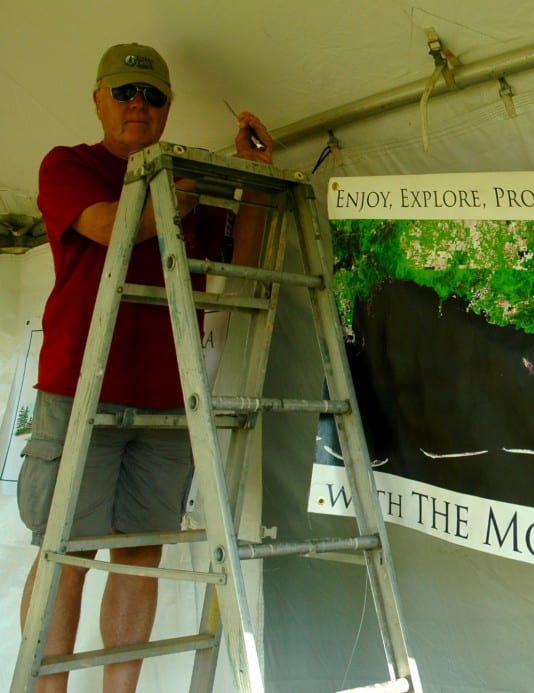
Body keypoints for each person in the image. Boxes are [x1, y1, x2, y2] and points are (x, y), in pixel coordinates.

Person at [18, 43, 274, 692]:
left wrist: (251, 181)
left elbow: (236, 265)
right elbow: (108, 225)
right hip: (80, 390)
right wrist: (177, 202)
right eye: (126, 91)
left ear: (167, 109)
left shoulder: (185, 175)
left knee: (140, 554)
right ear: (98, 98)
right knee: (65, 553)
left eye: (152, 95)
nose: (138, 104)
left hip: (166, 398)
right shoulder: (68, 164)